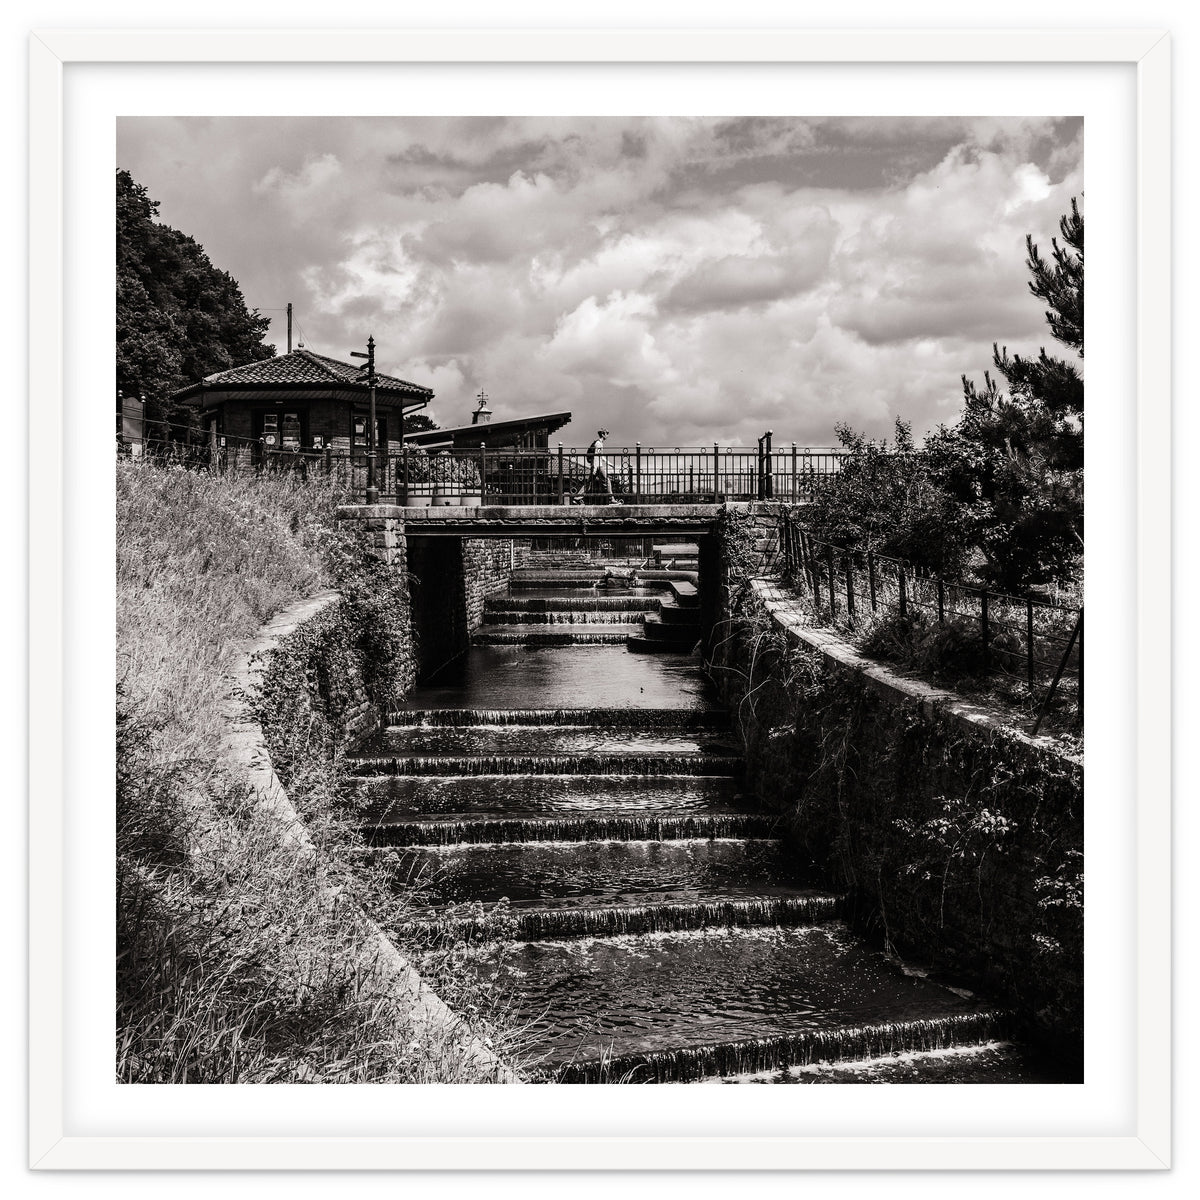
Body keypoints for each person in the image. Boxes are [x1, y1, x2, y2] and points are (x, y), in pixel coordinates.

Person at [571, 428, 619, 504]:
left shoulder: (599, 443)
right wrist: (595, 468)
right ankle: (611, 499)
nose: (608, 435)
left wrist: (608, 463)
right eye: (607, 433)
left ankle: (577, 498)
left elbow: (600, 455)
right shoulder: (598, 443)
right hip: (598, 467)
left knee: (589, 483)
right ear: (603, 434)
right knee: (606, 481)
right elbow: (596, 456)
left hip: (596, 466)